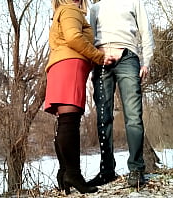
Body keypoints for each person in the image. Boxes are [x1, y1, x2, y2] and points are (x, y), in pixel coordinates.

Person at [44, 0, 113, 194]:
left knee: (65, 122)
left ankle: (64, 172)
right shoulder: (70, 10)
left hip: (60, 65)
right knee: (69, 122)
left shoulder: (62, 11)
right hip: (69, 65)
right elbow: (74, 37)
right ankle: (73, 175)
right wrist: (99, 57)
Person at [87, 0, 154, 187]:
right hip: (101, 63)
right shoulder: (95, 7)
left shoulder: (134, 2)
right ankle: (107, 171)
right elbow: (90, 37)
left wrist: (146, 61)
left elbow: (146, 31)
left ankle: (136, 169)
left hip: (127, 58)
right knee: (103, 117)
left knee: (133, 116)